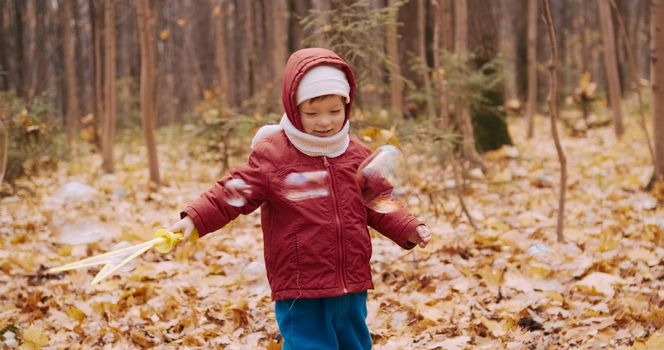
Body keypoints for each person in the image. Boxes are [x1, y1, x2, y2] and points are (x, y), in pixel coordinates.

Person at [168, 47, 431, 349]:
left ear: (347, 105)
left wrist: (408, 226)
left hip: (351, 278)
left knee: (354, 342)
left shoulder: (356, 153)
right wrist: (195, 218)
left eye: (335, 111)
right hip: (299, 285)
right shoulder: (274, 155)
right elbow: (232, 192)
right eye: (312, 112)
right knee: (309, 344)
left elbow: (378, 200)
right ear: (294, 108)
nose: (325, 122)